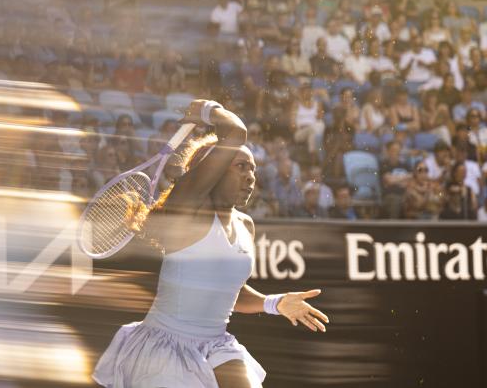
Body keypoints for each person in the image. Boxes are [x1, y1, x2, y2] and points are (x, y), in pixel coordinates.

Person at [92, 100, 329, 388]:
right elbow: (236, 131)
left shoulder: (246, 226)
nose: (250, 176)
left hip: (217, 345)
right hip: (163, 347)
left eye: (253, 169)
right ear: (213, 172)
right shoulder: (188, 210)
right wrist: (207, 109)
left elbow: (230, 292)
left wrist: (275, 303)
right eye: (240, 166)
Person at [290, 80, 325, 163]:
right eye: (305, 91)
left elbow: (320, 119)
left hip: (313, 131)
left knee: (314, 133)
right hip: (300, 132)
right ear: (301, 93)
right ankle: (320, 158)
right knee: (314, 130)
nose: (308, 93)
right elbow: (292, 124)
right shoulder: (296, 104)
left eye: (310, 91)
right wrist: (301, 127)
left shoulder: (317, 104)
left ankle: (313, 162)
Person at [380, 140, 411, 218]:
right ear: (388, 151)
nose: (396, 152)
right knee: (396, 200)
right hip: (390, 195)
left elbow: (410, 180)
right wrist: (404, 178)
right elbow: (389, 181)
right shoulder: (384, 165)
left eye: (398, 150)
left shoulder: (405, 165)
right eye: (393, 150)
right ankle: (393, 227)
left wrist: (395, 180)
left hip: (405, 194)